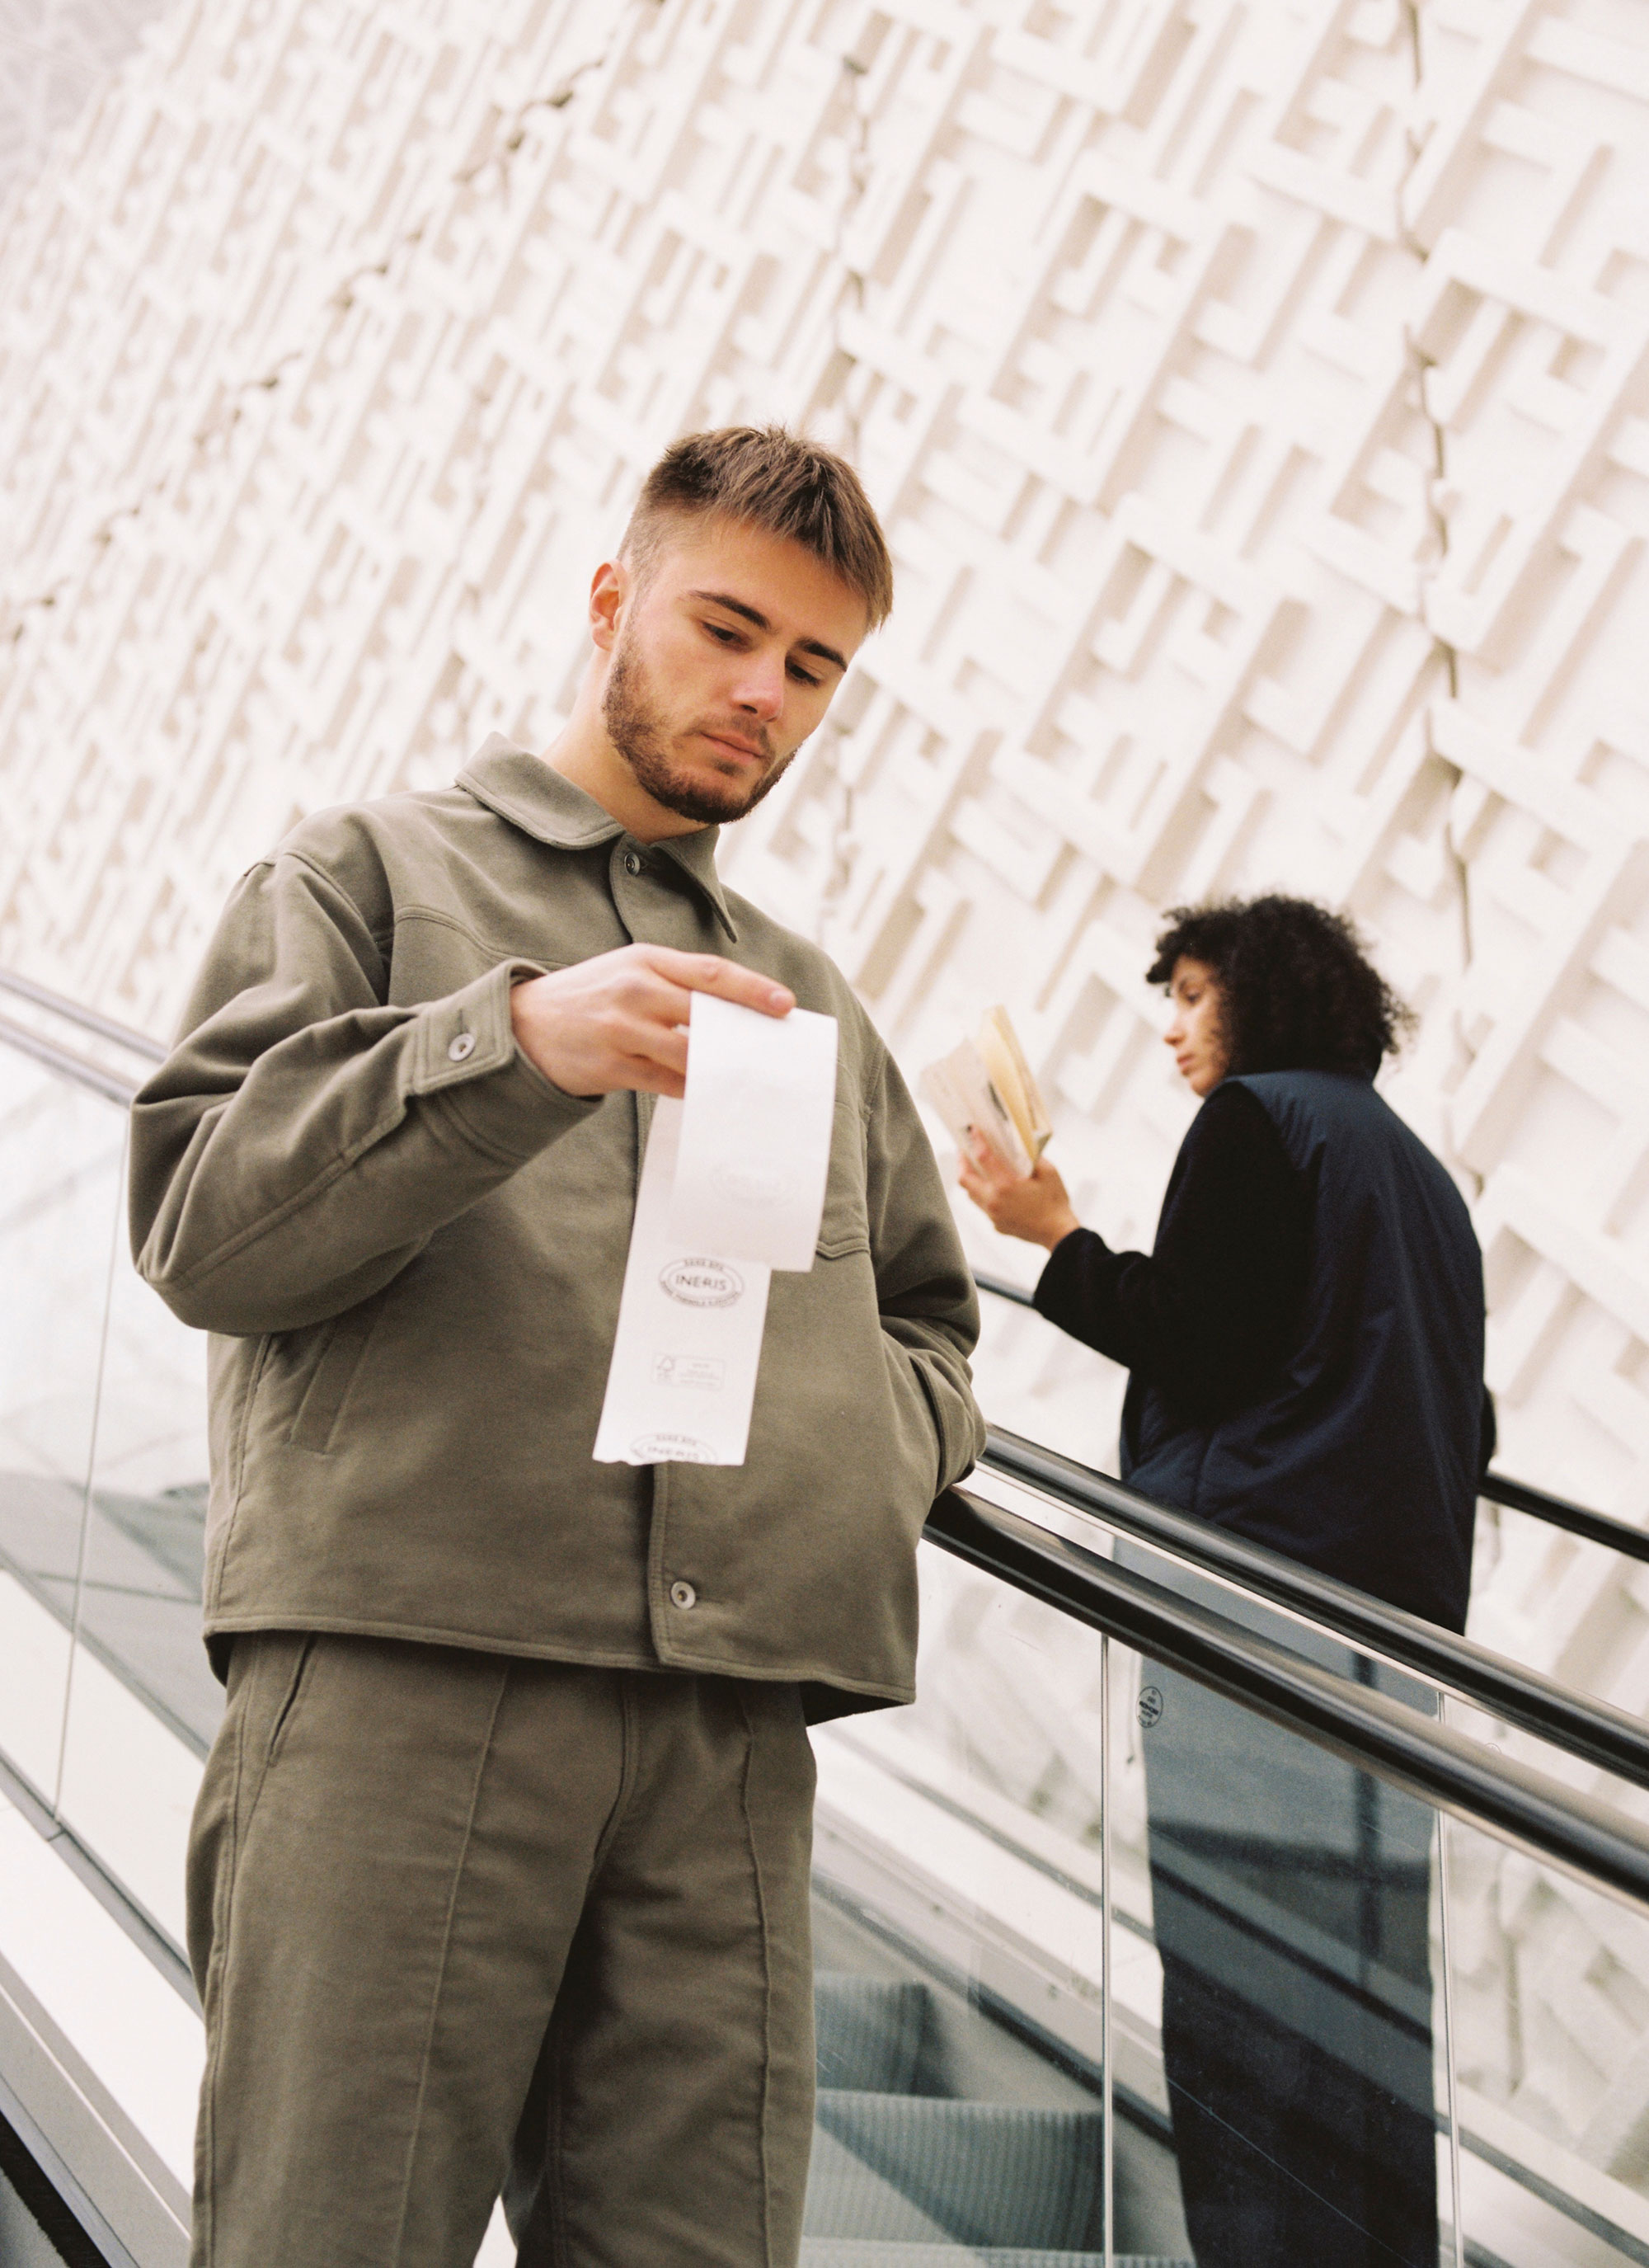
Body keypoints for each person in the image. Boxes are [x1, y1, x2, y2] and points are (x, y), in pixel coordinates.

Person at [129, 426, 986, 2268]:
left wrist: (861, 1455)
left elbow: (926, 1316)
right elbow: (202, 1221)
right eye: (726, 628)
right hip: (401, 1687)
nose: (763, 693)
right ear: (614, 600)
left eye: (812, 665)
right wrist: (511, 1043)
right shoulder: (364, 872)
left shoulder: (810, 996)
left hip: (729, 1739)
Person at [960, 893, 1492, 2268]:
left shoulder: (1259, 1121)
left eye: (1193, 997)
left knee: (1245, 1995)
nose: (1172, 1028)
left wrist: (1052, 1232)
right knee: (1362, 2013)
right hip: (1389, 1641)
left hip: (1246, 1619)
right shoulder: (1418, 1174)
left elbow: (1198, 1338)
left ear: (1260, 998)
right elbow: (1460, 1423)